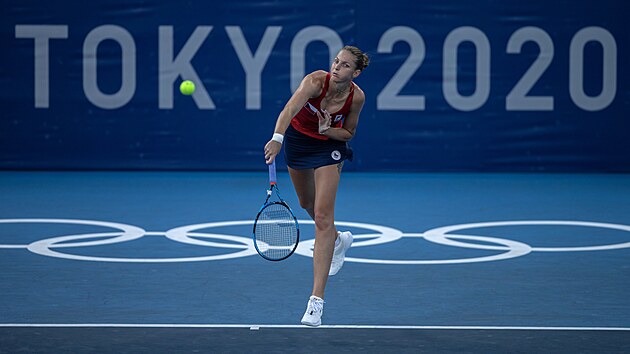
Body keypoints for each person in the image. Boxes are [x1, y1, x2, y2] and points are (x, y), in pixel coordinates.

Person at [263, 45, 369, 326]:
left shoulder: (356, 98)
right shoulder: (314, 82)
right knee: (306, 204)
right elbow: (289, 109)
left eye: (345, 65)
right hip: (298, 143)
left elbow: (349, 132)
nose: (337, 67)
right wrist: (277, 138)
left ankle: (316, 302)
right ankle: (337, 240)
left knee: (323, 216)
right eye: (336, 61)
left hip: (329, 147)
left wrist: (327, 130)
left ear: (356, 72)